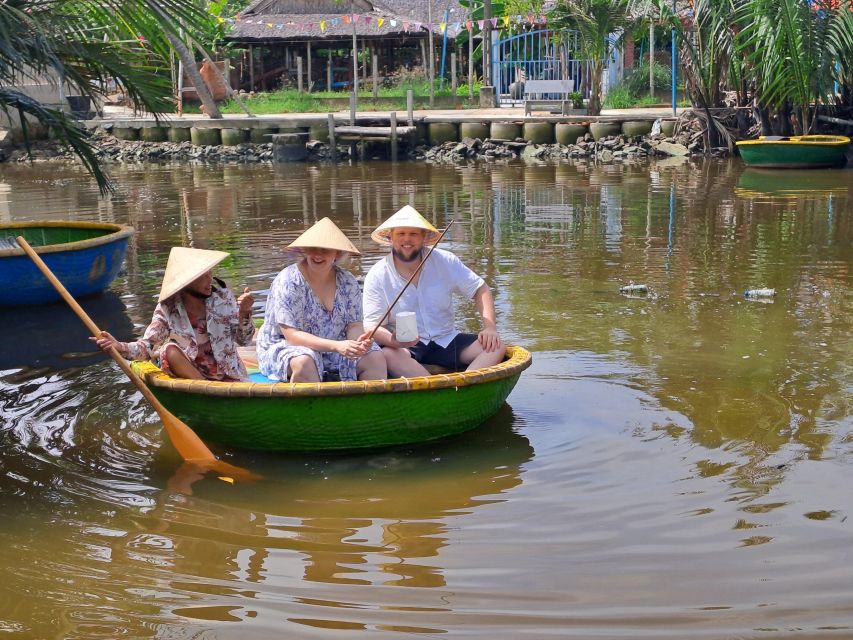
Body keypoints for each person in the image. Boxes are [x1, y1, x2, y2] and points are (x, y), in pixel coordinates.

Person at [362, 205, 505, 377]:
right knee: (388, 355)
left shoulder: (445, 260)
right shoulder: (377, 274)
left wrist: (489, 328)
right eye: (401, 233)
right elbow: (371, 326)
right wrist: (394, 340)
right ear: (390, 237)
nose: (407, 239)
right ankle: (435, 389)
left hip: (447, 338)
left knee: (496, 347)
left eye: (413, 234)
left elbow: (480, 288)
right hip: (407, 346)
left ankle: (464, 384)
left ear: (423, 237)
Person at [92, 247, 254, 381]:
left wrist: (244, 313)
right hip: (194, 377)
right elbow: (147, 347)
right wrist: (119, 346)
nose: (209, 279)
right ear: (189, 280)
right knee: (168, 350)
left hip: (229, 374)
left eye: (210, 273)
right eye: (204, 275)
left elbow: (244, 340)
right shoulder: (168, 308)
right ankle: (204, 388)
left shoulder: (223, 299)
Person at [256, 217, 387, 383]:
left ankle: (365, 408)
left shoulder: (347, 281)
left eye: (325, 250)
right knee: (305, 362)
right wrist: (337, 346)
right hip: (290, 347)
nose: (318, 255)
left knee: (375, 358)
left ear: (337, 254)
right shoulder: (288, 281)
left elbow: (354, 325)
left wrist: (357, 343)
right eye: (313, 249)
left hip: (338, 345)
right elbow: (292, 336)